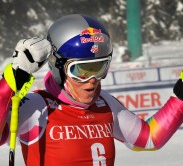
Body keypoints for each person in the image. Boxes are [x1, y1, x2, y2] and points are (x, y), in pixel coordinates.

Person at [0, 14, 183, 166]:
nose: (92, 81)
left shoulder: (105, 103)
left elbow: (149, 137)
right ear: (58, 67)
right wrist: (10, 82)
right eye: (80, 70)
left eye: (99, 67)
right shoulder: (36, 106)